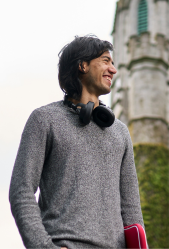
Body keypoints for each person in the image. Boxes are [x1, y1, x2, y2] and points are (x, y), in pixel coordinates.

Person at [9, 35, 144, 248]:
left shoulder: (120, 132)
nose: (113, 70)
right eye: (106, 61)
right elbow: (21, 191)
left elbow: (131, 207)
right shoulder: (44, 119)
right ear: (82, 65)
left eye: (113, 63)